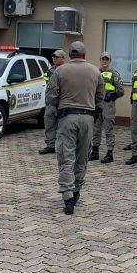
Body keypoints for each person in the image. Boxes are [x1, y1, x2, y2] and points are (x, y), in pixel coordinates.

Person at [45, 41, 105, 215]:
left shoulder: (59, 71)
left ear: (70, 55)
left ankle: (67, 195)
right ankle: (77, 190)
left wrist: (57, 112)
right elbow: (101, 96)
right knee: (82, 156)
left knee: (66, 157)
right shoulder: (95, 71)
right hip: (88, 118)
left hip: (67, 117)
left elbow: (51, 96)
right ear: (84, 55)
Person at [91, 52, 124, 163]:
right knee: (96, 129)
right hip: (97, 104)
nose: (105, 61)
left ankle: (110, 153)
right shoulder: (96, 73)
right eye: (103, 59)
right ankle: (95, 151)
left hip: (108, 105)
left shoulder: (114, 74)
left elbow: (121, 90)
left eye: (107, 59)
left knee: (108, 129)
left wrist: (113, 95)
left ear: (110, 61)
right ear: (100, 60)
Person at [39, 50, 66, 154]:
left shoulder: (66, 71)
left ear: (63, 58)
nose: (54, 58)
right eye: (53, 56)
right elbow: (47, 84)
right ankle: (50, 145)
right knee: (49, 124)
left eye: (57, 57)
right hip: (50, 103)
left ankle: (62, 146)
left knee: (63, 126)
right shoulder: (50, 71)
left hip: (62, 103)